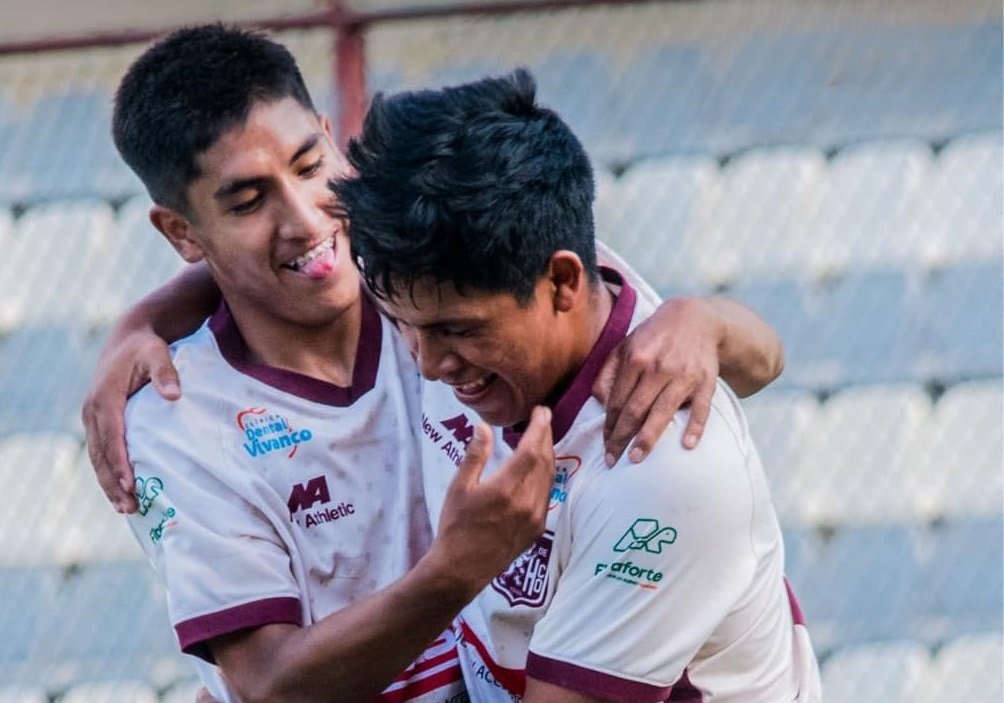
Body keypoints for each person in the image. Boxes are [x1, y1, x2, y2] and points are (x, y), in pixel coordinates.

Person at [86, 24, 785, 703]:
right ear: (182, 231)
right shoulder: (178, 417)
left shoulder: (440, 272)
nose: (304, 218)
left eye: (308, 166)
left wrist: (705, 319)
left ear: (332, 140)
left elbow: (762, 358)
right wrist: (457, 566)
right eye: (247, 200)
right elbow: (269, 685)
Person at [330, 69, 823, 701]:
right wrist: (163, 316)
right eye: (401, 323)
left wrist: (455, 569)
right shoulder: (492, 253)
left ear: (562, 283)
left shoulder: (662, 468)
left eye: (457, 330)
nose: (426, 364)